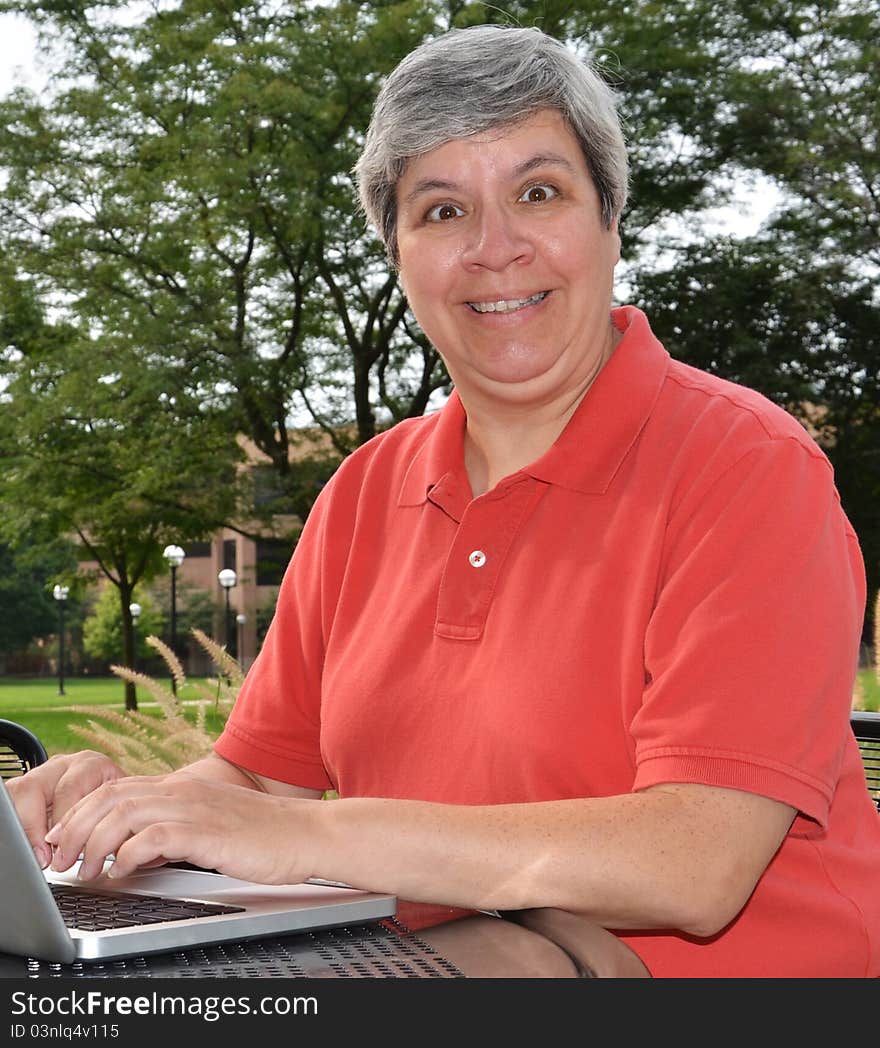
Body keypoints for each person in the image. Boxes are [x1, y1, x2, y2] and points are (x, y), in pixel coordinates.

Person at [9, 24, 880, 978]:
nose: (494, 248)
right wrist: (120, 811)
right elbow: (263, 781)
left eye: (538, 193)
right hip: (438, 969)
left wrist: (310, 839)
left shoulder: (747, 467)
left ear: (610, 220)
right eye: (440, 210)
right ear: (399, 254)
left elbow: (696, 861)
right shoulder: (364, 491)